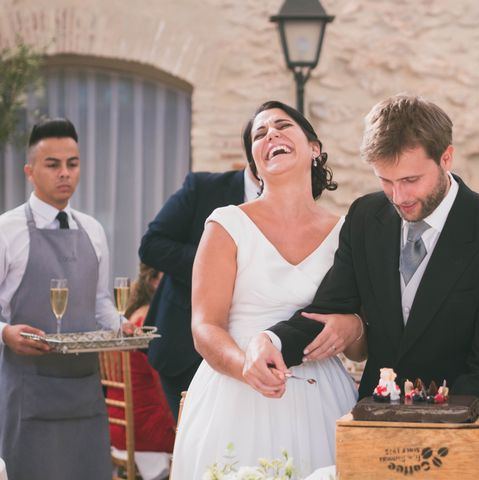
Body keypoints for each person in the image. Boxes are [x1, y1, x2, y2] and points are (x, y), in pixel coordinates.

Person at [244, 94, 479, 474]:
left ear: (446, 158)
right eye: (386, 181)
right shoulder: (366, 216)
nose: (399, 197)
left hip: (466, 440)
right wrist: (273, 341)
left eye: (411, 180)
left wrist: (418, 429)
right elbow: (332, 305)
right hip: (375, 441)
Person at [171, 101, 360, 479]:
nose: (270, 134)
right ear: (255, 166)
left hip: (321, 400)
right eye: (259, 134)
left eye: (282, 125)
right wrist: (246, 368)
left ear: (314, 148)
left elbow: (362, 347)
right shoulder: (227, 224)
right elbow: (205, 327)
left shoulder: (347, 234)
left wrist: (352, 327)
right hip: (235, 396)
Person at [0, 118, 120, 479]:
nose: (65, 173)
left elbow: (100, 303)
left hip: (85, 391)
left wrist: (121, 325)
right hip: (27, 392)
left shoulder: (94, 231)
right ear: (30, 171)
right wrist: (5, 333)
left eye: (73, 163)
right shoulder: (6, 231)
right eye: (53, 165)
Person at [139, 164, 260, 419]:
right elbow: (152, 245)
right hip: (185, 349)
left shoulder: (293, 205)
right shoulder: (203, 187)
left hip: (256, 354)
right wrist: (215, 263)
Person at [106, 263, 176, 456]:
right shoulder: (148, 324)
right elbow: (162, 384)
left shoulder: (131, 317)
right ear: (154, 282)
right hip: (144, 428)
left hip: (117, 424)